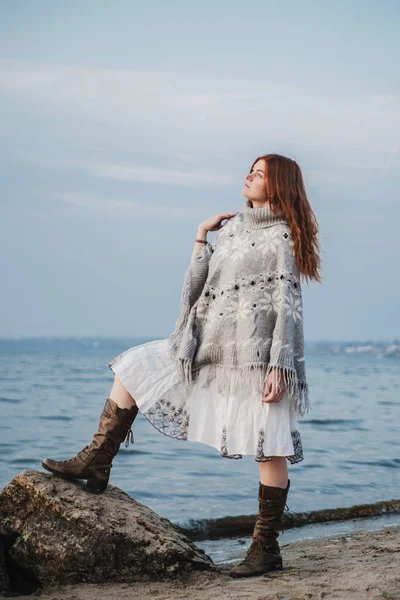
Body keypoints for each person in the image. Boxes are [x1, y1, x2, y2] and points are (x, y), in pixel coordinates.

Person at [42, 153, 322, 578]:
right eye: (250, 168)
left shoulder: (281, 237)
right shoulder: (229, 231)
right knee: (134, 367)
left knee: (271, 446)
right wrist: (200, 238)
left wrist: (279, 366)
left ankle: (266, 547)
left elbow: (288, 307)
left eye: (260, 173)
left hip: (256, 360)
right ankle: (97, 461)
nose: (249, 175)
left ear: (279, 185)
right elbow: (197, 289)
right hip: (205, 349)